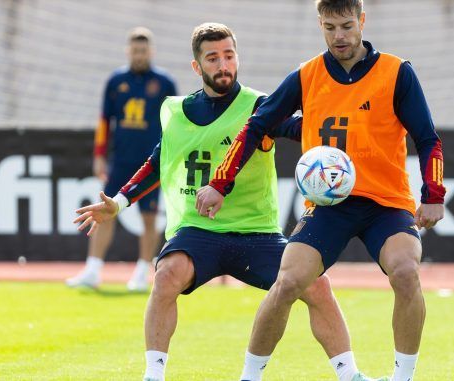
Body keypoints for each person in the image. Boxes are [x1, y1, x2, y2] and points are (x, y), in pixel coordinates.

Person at [74, 23, 377, 381]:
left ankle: (350, 375)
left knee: (316, 284)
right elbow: (159, 162)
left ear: (238, 58)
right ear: (196, 66)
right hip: (198, 231)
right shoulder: (177, 110)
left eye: (229, 56)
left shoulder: (260, 106)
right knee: (167, 274)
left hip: (257, 234)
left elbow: (304, 129)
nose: (223, 65)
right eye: (213, 58)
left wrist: (350, 131)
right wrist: (120, 202)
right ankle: (153, 375)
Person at [195, 1, 447, 380]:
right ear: (320, 24)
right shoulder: (306, 75)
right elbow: (256, 126)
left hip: (386, 203)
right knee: (288, 283)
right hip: (328, 205)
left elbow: (428, 138)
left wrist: (434, 193)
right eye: (329, 28)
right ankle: (249, 376)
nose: (339, 36)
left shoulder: (396, 72)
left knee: (406, 271)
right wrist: (219, 183)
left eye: (346, 26)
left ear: (361, 21)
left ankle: (403, 377)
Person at [67, 27, 177, 291]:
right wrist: (100, 156)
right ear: (129, 51)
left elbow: (175, 122)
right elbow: (104, 121)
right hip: (122, 160)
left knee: (149, 217)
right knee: (106, 210)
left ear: (151, 52)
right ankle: (93, 269)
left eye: (144, 50)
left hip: (152, 161)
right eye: (135, 50)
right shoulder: (116, 81)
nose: (139, 55)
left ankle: (142, 272)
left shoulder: (165, 83)